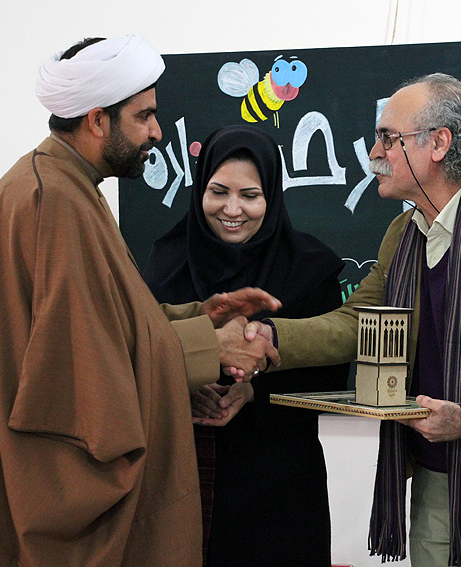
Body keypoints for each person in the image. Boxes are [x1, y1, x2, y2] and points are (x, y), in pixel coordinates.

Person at [223, 73, 461, 567]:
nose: (374, 153)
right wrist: (270, 335)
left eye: (388, 138)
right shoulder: (402, 235)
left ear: (439, 144)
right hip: (434, 481)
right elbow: (357, 324)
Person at [0, 35, 278, 567]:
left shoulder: (65, 186)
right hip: (49, 496)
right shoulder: (53, 201)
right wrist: (209, 347)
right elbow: (79, 372)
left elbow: (105, 321)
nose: (156, 131)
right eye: (144, 116)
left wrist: (197, 315)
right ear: (98, 120)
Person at [143, 125, 349, 566]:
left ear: (271, 196)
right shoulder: (164, 264)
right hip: (181, 479)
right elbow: (135, 356)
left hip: (278, 486)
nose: (232, 209)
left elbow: (331, 377)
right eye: (218, 192)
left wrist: (253, 392)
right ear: (200, 189)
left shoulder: (311, 270)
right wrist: (186, 385)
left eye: (250, 195)